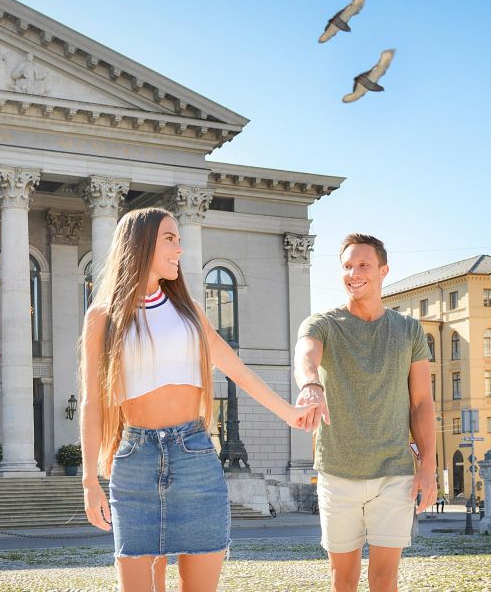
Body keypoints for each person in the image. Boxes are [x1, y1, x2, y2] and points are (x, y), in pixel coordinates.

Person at [80, 207, 316, 592]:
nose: (180, 248)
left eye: (179, 239)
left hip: (194, 457)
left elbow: (237, 370)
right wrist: (90, 479)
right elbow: (92, 401)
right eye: (170, 239)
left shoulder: (188, 312)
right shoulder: (102, 317)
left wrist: (289, 414)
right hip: (134, 463)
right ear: (140, 245)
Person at [294, 233, 436, 592]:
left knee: (385, 579)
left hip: (394, 473)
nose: (354, 273)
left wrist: (429, 467)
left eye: (363, 265)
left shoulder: (409, 330)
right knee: (343, 579)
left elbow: (421, 402)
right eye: (347, 266)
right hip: (338, 471)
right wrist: (311, 385)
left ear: (383, 270)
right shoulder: (323, 323)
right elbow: (305, 356)